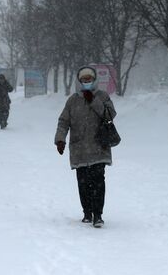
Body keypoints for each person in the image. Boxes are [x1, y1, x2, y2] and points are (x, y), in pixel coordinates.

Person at [54, 66, 116, 228]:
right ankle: (87, 212)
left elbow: (110, 115)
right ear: (79, 81)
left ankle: (98, 215)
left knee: (98, 182)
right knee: (83, 182)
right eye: (84, 79)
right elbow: (63, 121)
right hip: (79, 149)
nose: (86, 82)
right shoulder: (73, 100)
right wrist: (60, 139)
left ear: (94, 80)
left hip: (98, 148)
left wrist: (93, 101)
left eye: (89, 79)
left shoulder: (102, 96)